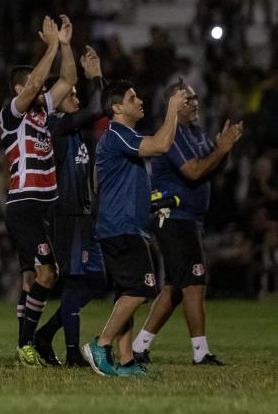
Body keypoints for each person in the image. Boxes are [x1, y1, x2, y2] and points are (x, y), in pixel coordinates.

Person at [131, 82, 243, 366]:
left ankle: (139, 347)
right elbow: (193, 171)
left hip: (188, 218)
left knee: (176, 287)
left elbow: (214, 167)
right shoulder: (172, 134)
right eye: (187, 99)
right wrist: (220, 149)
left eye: (195, 97)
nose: (194, 103)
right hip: (173, 216)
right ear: (173, 104)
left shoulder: (195, 132)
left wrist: (224, 149)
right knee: (194, 281)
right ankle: (200, 352)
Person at [82, 80, 189, 377]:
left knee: (127, 294)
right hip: (121, 226)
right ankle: (100, 344)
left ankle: (126, 361)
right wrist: (171, 109)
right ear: (117, 107)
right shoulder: (117, 133)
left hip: (123, 225)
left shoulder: (123, 136)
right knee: (142, 289)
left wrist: (148, 201)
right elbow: (161, 145)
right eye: (132, 98)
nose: (140, 101)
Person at [0, 15, 76, 366]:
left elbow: (68, 80)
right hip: (25, 205)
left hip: (45, 206)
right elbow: (36, 86)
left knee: (37, 275)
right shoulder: (11, 115)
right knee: (46, 273)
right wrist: (51, 46)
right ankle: (25, 344)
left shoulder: (42, 112)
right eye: (35, 85)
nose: (43, 90)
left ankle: (25, 344)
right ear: (20, 88)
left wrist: (66, 46)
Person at [33, 46, 108, 367]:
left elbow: (98, 110)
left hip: (83, 213)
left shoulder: (73, 129)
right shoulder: (55, 124)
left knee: (98, 280)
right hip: (67, 212)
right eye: (71, 93)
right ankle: (73, 353)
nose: (76, 98)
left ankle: (46, 333)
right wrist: (96, 77)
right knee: (76, 281)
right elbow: (99, 107)